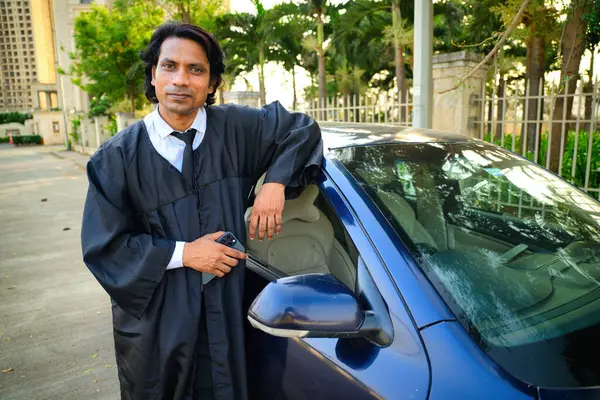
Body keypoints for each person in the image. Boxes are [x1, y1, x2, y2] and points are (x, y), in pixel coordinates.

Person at [80, 22, 323, 400]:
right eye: (169, 66)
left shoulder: (237, 129)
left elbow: (301, 129)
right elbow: (104, 248)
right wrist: (185, 253)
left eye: (196, 70)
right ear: (153, 75)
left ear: (211, 84)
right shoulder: (116, 159)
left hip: (223, 315)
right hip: (158, 326)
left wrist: (275, 182)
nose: (181, 79)